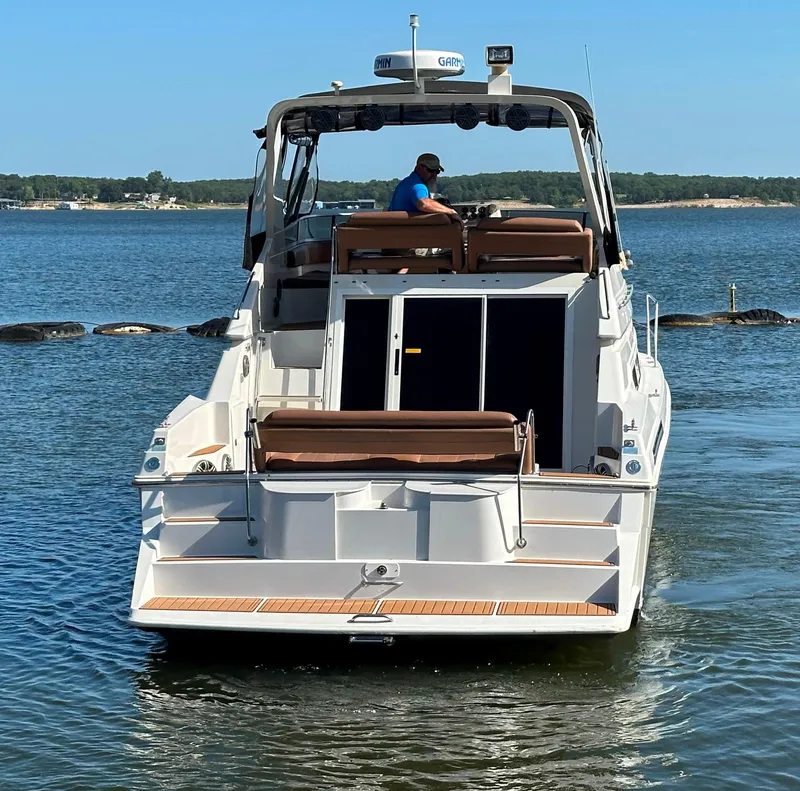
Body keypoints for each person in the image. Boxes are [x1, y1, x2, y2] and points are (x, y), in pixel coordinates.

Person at [388, 153, 461, 220]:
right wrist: (451, 212)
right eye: (430, 170)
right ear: (419, 168)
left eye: (437, 171)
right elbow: (424, 204)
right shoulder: (418, 186)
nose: (434, 175)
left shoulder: (405, 183)